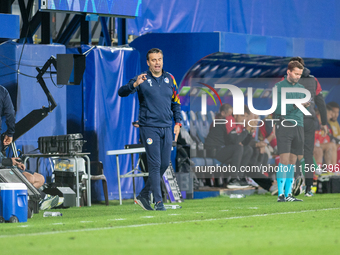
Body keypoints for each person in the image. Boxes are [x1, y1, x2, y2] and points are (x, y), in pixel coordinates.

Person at [118, 48, 182, 211]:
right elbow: (121, 92)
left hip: (167, 127)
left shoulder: (170, 78)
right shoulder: (142, 79)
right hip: (149, 127)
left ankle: (143, 195)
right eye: (153, 60)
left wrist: (178, 122)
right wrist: (134, 84)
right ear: (148, 63)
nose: (157, 62)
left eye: (159, 59)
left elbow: (176, 102)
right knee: (154, 165)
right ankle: (159, 202)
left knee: (163, 165)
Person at [0, 85, 59, 210]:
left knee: (40, 179)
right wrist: (9, 161)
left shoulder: (2, 91)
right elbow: (10, 113)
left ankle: (30, 201)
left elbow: (10, 113)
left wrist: (12, 161)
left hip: (3, 164)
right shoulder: (2, 91)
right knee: (30, 178)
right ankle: (40, 199)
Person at [287, 57, 328, 197]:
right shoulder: (314, 80)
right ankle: (309, 188)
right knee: (308, 153)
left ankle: (296, 179)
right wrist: (324, 123)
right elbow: (321, 103)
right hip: (309, 120)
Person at [274, 60, 309, 202]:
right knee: (284, 159)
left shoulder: (301, 88)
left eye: (300, 74)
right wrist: (295, 105)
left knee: (293, 161)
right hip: (285, 125)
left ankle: (288, 194)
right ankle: (280, 195)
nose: (298, 76)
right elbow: (278, 109)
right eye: (296, 73)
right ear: (288, 72)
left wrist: (304, 104)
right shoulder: (279, 87)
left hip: (299, 126)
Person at [205, 104, 252, 188]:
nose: (244, 119)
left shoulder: (239, 123)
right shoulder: (229, 120)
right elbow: (235, 140)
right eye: (242, 116)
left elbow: (244, 143)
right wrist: (246, 131)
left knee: (248, 149)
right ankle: (233, 180)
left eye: (246, 117)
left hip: (223, 149)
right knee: (238, 147)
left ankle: (239, 178)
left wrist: (249, 132)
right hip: (214, 150)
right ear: (235, 115)